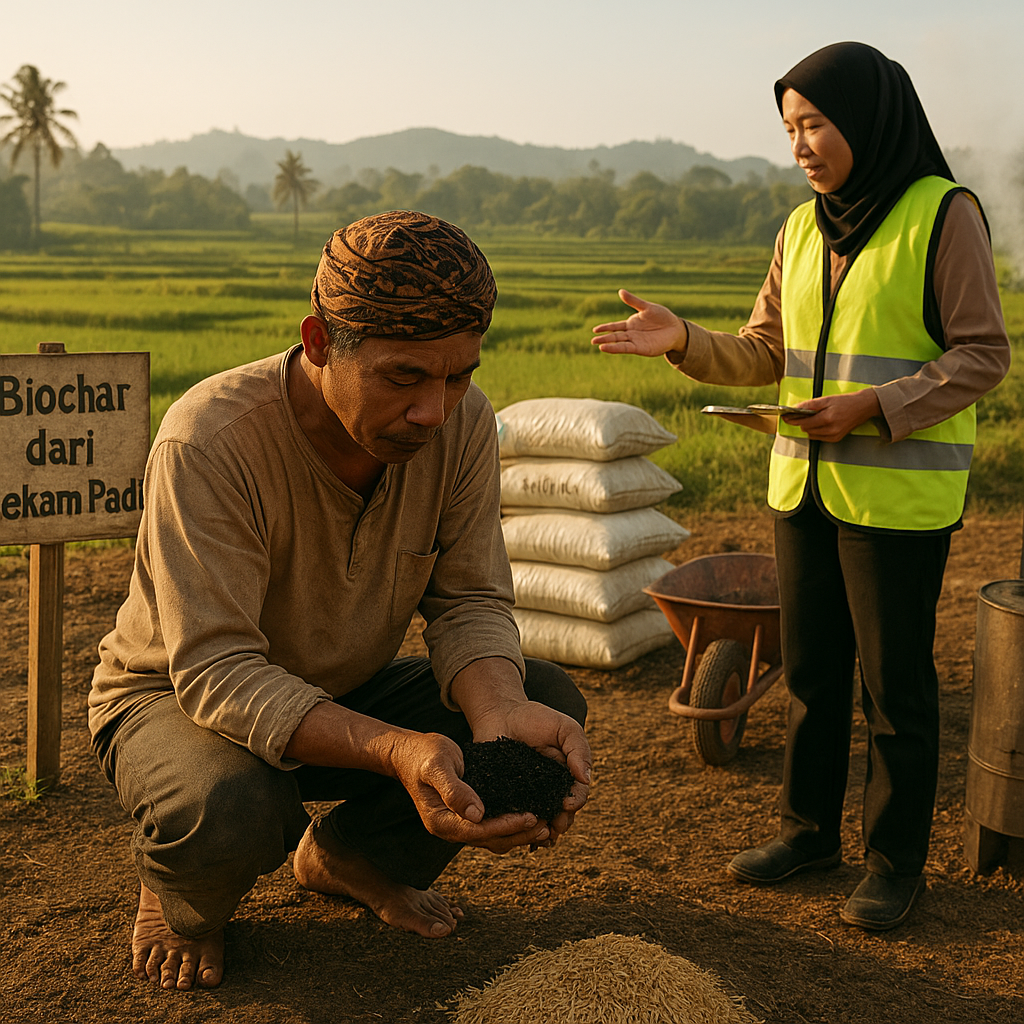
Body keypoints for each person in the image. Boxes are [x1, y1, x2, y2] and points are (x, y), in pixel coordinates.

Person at [89, 210, 592, 991]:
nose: (436, 409)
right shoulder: (210, 441)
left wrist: (496, 718)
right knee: (232, 804)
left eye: (458, 375)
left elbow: (468, 601)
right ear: (320, 344)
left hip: (343, 685)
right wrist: (395, 747)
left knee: (540, 700)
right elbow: (218, 669)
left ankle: (347, 856)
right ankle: (179, 896)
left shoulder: (461, 428)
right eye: (405, 377)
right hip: (176, 698)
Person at [591, 42, 1009, 931]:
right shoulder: (799, 228)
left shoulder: (944, 216)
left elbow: (984, 355)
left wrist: (874, 405)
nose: (801, 145)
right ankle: (808, 833)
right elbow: (765, 352)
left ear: (867, 118)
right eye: (789, 128)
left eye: (814, 123)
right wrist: (684, 340)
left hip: (896, 501)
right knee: (816, 675)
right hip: (804, 491)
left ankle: (895, 864)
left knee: (896, 692)